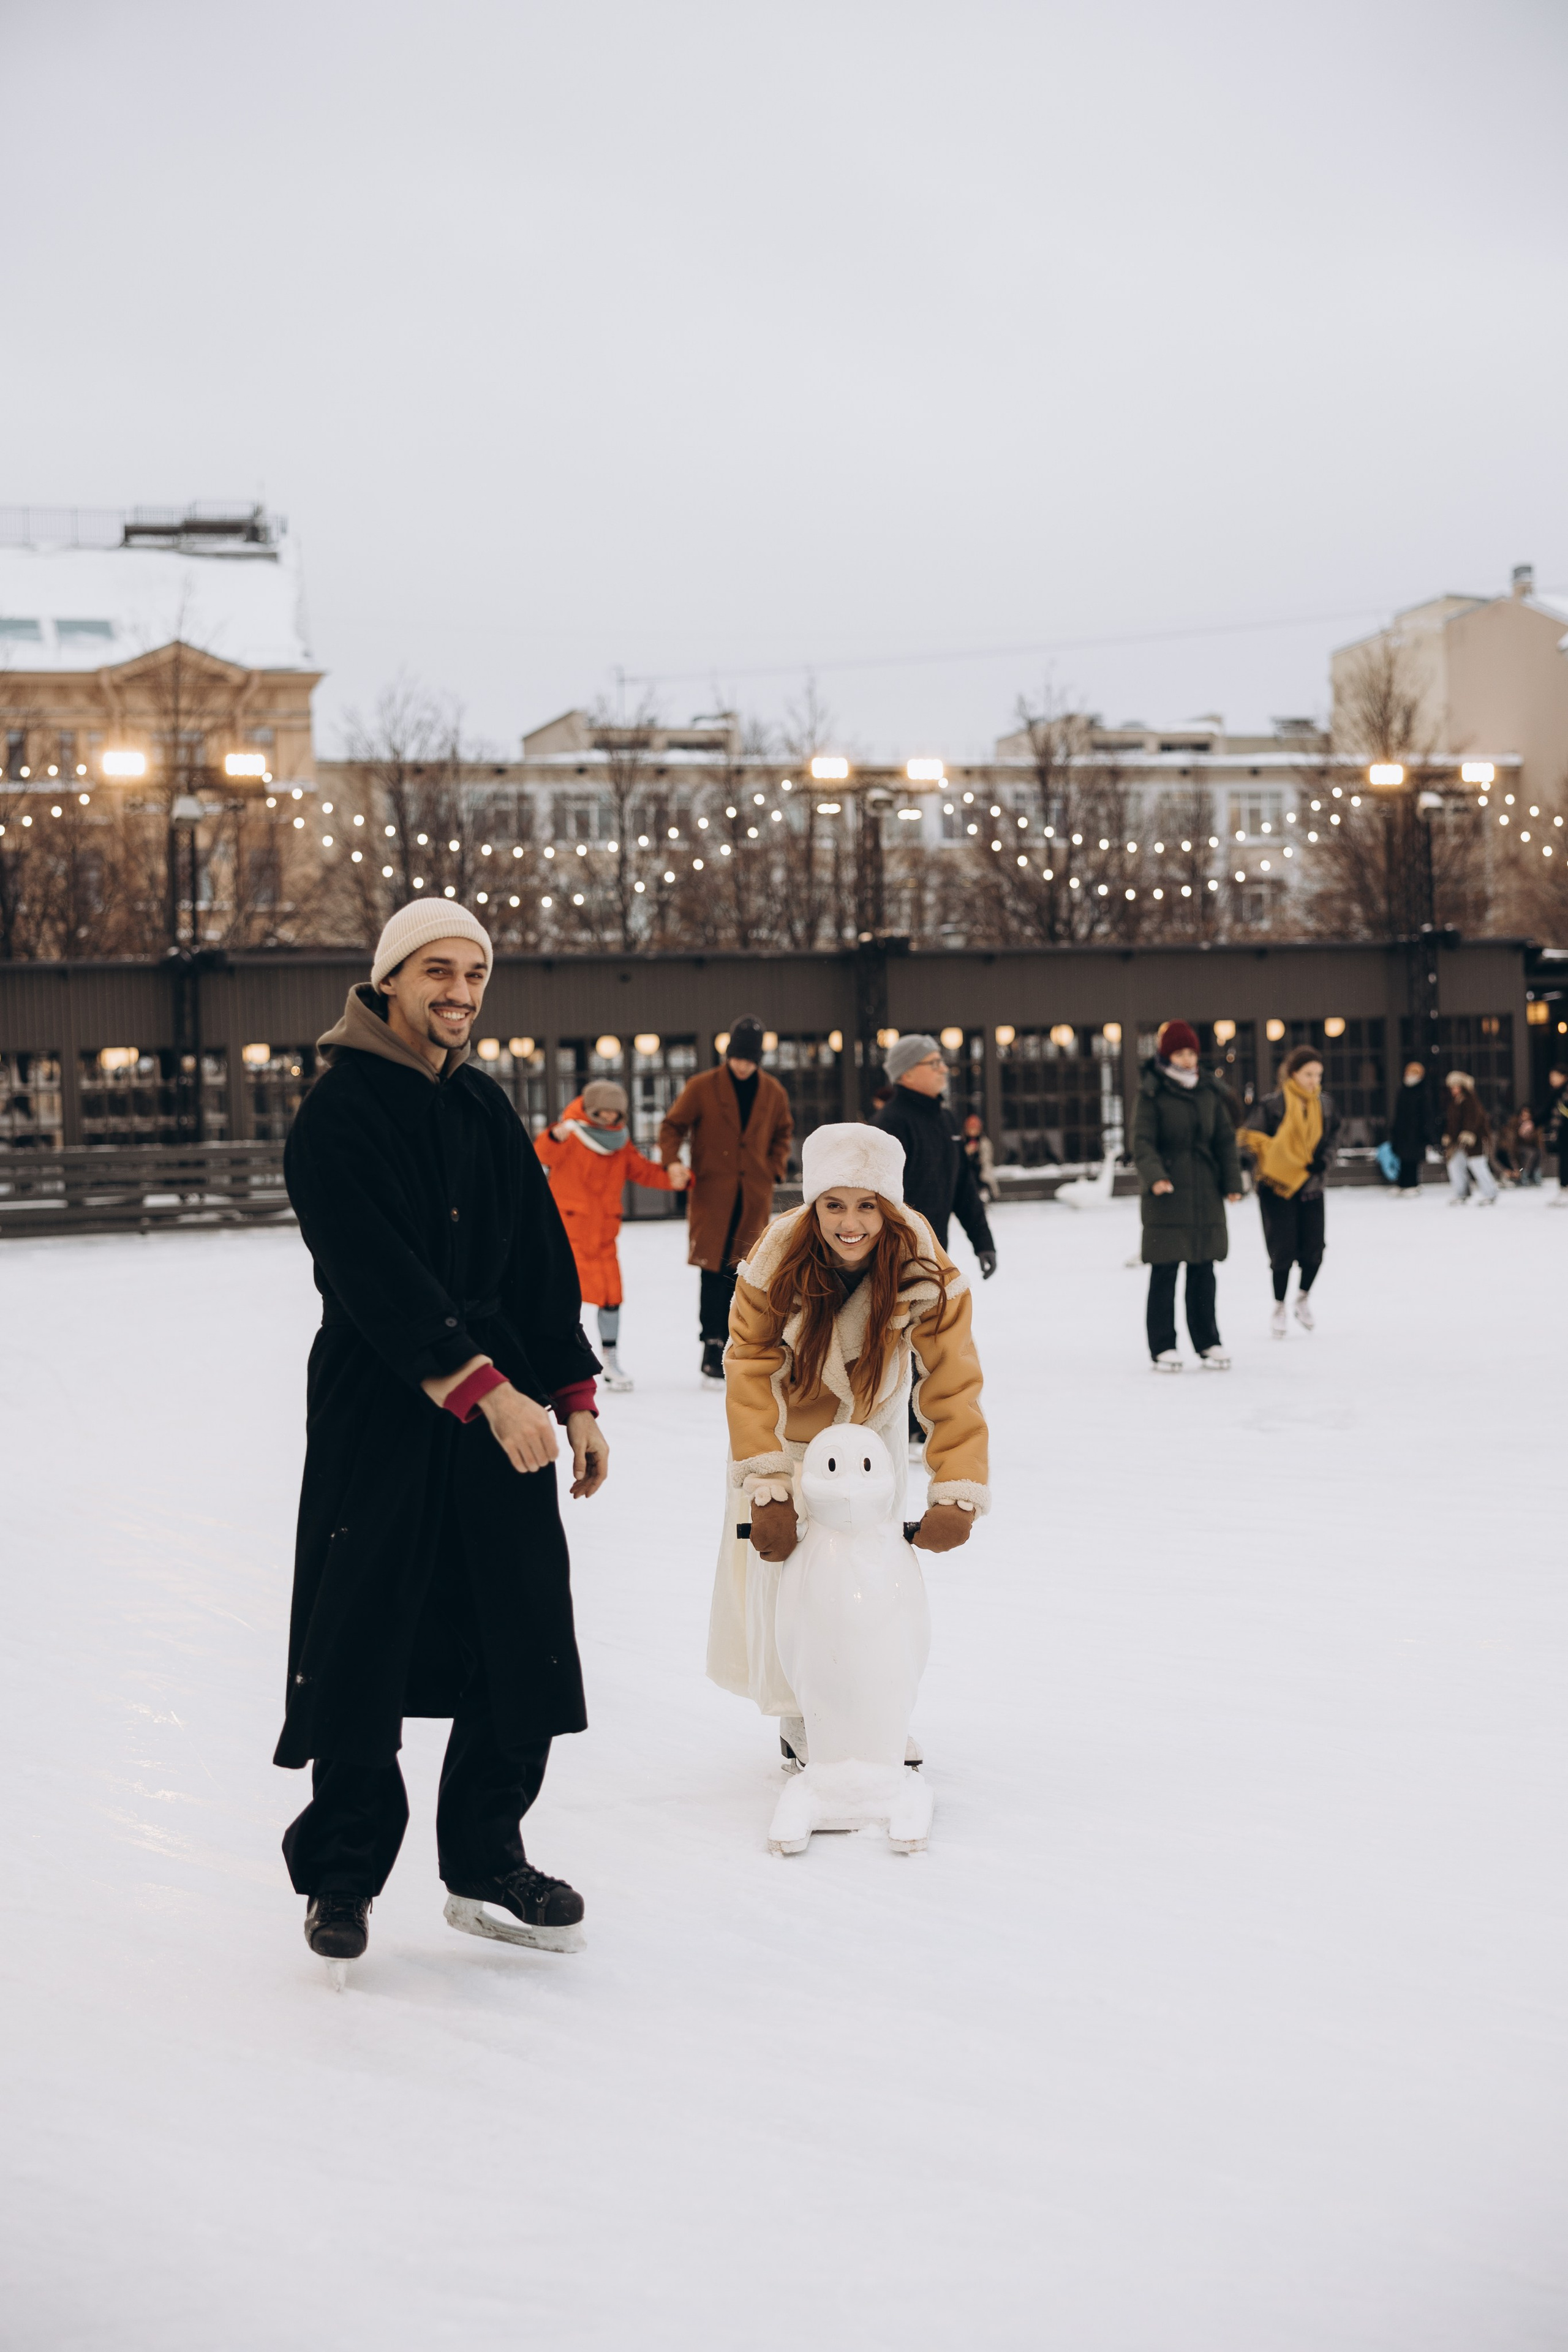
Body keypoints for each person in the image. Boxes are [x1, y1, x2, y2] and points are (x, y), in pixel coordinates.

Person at [276, 903, 609, 1972]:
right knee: (364, 1627)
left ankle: (486, 1856)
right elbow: (373, 1273)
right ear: (388, 980)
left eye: (475, 973)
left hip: (503, 1400)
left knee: (520, 1621)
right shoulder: (337, 1114)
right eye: (437, 970)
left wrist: (573, 1394)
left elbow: (538, 1264)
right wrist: (482, 1389)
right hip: (384, 1403)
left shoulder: (481, 1107)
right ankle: (342, 1872)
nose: (460, 991)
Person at [707, 1120, 988, 1770]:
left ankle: (875, 1713)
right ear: (813, 1206)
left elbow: (953, 1380)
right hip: (782, 1439)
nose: (850, 1222)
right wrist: (766, 1484)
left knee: (869, 1582)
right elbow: (748, 1364)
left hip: (868, 1444)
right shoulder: (774, 1262)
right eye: (834, 1204)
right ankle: (799, 1716)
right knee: (786, 1582)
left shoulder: (926, 1271)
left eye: (866, 1205)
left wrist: (957, 1488)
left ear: (889, 1207)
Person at [658, 1016, 794, 1382]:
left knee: (745, 1269)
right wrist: (672, 1162)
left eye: (750, 1060)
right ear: (728, 1054)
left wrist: (773, 1168)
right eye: (738, 1058)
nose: (743, 1065)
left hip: (753, 1193)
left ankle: (741, 1339)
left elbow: (783, 1133)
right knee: (712, 1268)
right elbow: (673, 1126)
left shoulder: (773, 1092)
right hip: (713, 1193)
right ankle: (711, 1342)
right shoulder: (702, 1087)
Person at [535, 1077, 690, 1389]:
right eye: (602, 1112)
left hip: (604, 1235)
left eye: (614, 1113)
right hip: (568, 1234)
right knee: (564, 1299)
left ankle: (611, 1362)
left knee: (611, 1299)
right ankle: (556, 1359)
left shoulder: (620, 1143)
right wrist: (553, 1135)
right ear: (591, 1109)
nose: (608, 1118)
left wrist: (680, 1180)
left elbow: (642, 1170)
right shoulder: (570, 1134)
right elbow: (541, 1154)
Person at [1133, 1019, 1243, 1371]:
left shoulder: (1209, 1090)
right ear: (1167, 1055)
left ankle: (1208, 1341)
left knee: (1204, 1267)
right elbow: (1142, 1141)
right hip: (1167, 1193)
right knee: (1165, 1270)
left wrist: (1232, 1183)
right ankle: (1163, 1344)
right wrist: (1156, 1177)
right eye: (1179, 1052)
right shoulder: (1152, 1092)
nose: (1187, 1059)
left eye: (1191, 1052)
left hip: (1205, 1193)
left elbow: (1224, 1140)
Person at [1237, 1044, 1341, 1336]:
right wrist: (1259, 1164)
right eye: (1308, 1074)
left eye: (1318, 1075)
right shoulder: (1273, 1105)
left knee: (1315, 1250)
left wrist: (1325, 1161)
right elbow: (1250, 1138)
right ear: (1293, 1074)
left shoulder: (1326, 1105)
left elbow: (1334, 1136)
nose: (1314, 1081)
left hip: (1311, 1185)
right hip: (1276, 1188)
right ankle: (1280, 1306)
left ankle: (1303, 1298)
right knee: (1282, 1251)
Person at [874, 1036, 997, 1276]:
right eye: (934, 1063)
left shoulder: (946, 1119)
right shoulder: (889, 1125)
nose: (944, 1069)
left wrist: (983, 1242)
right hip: (893, 1264)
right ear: (906, 1073)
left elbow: (963, 1187)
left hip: (936, 1257)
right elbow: (876, 1200)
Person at [1442, 1071, 1499, 1205]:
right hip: (1458, 1141)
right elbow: (1452, 1123)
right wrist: (1449, 1136)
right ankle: (1462, 1193)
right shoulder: (1454, 1103)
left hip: (1475, 1140)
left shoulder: (1471, 1101)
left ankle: (1490, 1193)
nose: (1453, 1089)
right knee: (1455, 1164)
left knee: (1478, 1165)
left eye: (1456, 1086)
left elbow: (1474, 1119)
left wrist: (1468, 1133)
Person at [1389, 1058, 1434, 1194]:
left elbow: (1426, 1114)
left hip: (1416, 1132)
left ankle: (1412, 1184)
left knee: (1413, 1160)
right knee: (1403, 1159)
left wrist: (1426, 1133)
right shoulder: (1403, 1090)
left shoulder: (1423, 1092)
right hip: (1403, 1131)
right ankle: (1402, 1184)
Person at [1498, 1104, 1545, 1186]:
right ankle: (1524, 1175)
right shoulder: (1513, 1126)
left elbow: (1539, 1145)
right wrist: (1516, 1169)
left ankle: (1535, 1174)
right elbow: (1511, 1147)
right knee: (1530, 1153)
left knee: (1538, 1152)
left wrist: (1530, 1132)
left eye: (1528, 1115)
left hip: (1531, 1149)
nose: (1525, 1117)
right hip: (1515, 1150)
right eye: (1523, 1115)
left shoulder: (1535, 1125)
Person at [960, 1111, 996, 1201]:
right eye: (970, 1129)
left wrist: (979, 1156)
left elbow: (987, 1159)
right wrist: (967, 1152)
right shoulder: (963, 1142)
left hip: (981, 1176)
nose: (972, 1131)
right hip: (968, 1176)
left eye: (974, 1129)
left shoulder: (984, 1142)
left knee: (982, 1197)